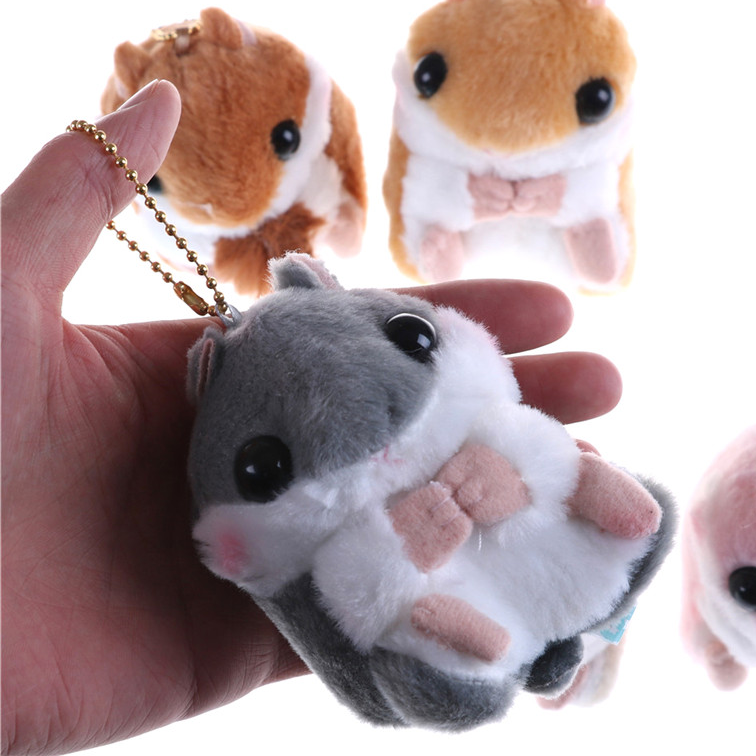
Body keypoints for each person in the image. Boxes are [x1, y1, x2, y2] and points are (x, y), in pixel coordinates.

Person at [1, 80, 622, 755]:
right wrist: (404, 549)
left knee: (556, 494)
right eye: (262, 468)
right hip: (415, 611)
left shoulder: (463, 412)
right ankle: (471, 643)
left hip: (507, 549)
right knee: (400, 618)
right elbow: (352, 588)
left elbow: (522, 446)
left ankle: (561, 612)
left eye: (414, 338)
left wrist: (531, 480)